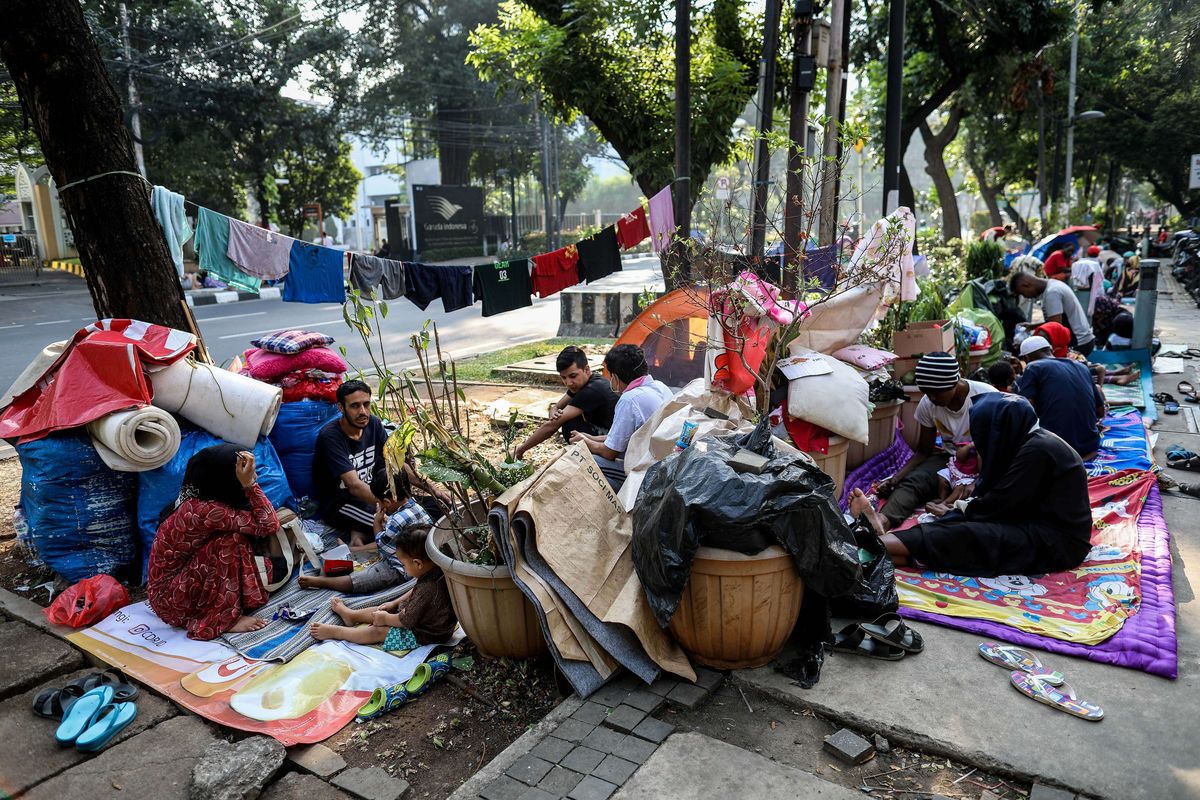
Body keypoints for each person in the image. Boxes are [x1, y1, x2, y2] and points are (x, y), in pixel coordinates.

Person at [851, 394, 1092, 577]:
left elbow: (1000, 506)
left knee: (967, 534)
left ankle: (869, 542)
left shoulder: (1039, 450)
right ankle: (879, 546)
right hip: (1038, 526)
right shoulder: (1032, 442)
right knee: (958, 529)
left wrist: (959, 512)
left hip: (1057, 543)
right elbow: (1001, 500)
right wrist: (962, 511)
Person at [147, 446, 278, 640]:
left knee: (238, 539)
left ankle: (224, 605)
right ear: (223, 477)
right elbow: (268, 524)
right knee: (231, 542)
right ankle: (221, 619)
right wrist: (250, 485)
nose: (255, 475)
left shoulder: (199, 495)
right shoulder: (206, 510)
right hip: (171, 602)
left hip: (177, 588)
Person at [313, 380, 449, 546]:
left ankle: (360, 534)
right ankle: (358, 547)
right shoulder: (330, 437)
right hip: (343, 503)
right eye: (355, 406)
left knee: (439, 508)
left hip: (379, 495)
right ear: (341, 408)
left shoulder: (374, 424)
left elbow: (395, 463)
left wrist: (432, 488)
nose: (363, 411)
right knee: (407, 529)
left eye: (366, 404)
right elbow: (354, 485)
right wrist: (392, 505)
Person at [874, 352, 997, 528]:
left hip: (984, 462)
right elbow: (924, 450)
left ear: (954, 383)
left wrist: (979, 480)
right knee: (915, 481)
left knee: (984, 493)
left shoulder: (986, 398)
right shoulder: (929, 403)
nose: (931, 398)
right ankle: (882, 521)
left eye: (936, 393)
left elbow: (1001, 451)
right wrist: (897, 477)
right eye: (926, 393)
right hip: (950, 460)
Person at [309, 524, 457, 649]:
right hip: (423, 617)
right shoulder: (437, 568)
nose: (404, 568)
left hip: (427, 635)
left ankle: (337, 632)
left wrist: (386, 619)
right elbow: (415, 591)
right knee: (384, 609)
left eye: (404, 564)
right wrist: (394, 603)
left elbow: (405, 621)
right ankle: (352, 616)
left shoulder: (429, 588)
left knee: (377, 631)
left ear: (418, 563)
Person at [300, 471, 431, 593]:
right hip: (421, 559)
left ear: (387, 502)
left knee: (362, 579)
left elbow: (381, 546)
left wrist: (377, 523)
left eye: (380, 502)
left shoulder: (396, 520)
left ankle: (323, 582)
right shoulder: (417, 506)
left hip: (402, 569)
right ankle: (351, 550)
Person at [570, 344, 672, 491]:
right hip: (665, 464)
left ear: (615, 377)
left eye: (610, 375)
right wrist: (591, 438)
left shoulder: (629, 399)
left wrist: (585, 442)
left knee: (579, 459)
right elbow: (626, 436)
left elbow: (609, 452)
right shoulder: (660, 387)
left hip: (648, 473)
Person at [513, 346, 618, 461]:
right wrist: (554, 414)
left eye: (573, 376)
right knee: (568, 420)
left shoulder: (593, 389)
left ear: (587, 370)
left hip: (613, 444)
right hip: (605, 434)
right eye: (563, 377)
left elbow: (551, 426)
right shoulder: (585, 382)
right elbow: (556, 407)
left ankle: (592, 460)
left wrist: (520, 450)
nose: (568, 382)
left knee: (569, 424)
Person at [1016, 336, 1105, 459]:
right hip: (1089, 447)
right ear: (1051, 350)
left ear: (1026, 358)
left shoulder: (1033, 367)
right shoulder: (1082, 367)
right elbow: (1100, 412)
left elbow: (1025, 411)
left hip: (1056, 449)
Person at [1010, 271, 1096, 355]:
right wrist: (1032, 326)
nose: (1026, 297)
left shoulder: (1052, 293)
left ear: (1026, 285)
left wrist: (1028, 343)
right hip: (1082, 339)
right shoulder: (1052, 284)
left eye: (1022, 293)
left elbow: (1055, 327)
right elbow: (1053, 321)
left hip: (1078, 343)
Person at [1070, 246, 1104, 317]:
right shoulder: (1097, 263)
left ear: (1087, 254)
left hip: (1078, 291)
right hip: (1093, 293)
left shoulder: (1078, 263)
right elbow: (1099, 281)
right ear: (1098, 254)